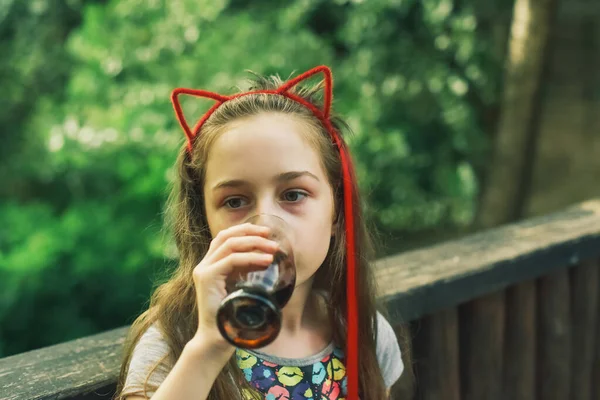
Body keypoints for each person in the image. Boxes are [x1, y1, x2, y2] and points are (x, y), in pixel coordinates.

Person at [115, 66, 403, 400]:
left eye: (293, 194)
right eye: (235, 201)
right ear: (204, 219)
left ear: (336, 211)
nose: (264, 224)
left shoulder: (364, 333)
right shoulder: (175, 344)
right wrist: (209, 348)